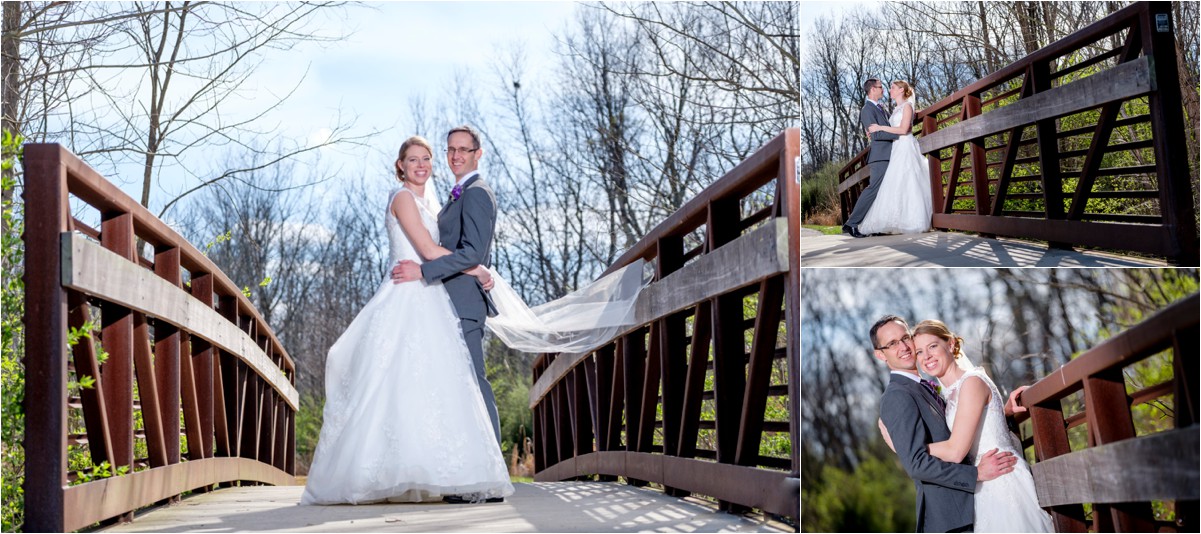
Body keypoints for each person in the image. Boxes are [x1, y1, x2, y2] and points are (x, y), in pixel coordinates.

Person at [300, 136, 513, 505]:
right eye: (412, 159)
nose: (420, 165)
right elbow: (429, 251)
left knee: (430, 390)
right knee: (395, 385)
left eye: (426, 158)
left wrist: (462, 268)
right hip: (407, 297)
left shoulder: (431, 202)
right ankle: (375, 472)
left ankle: (439, 471)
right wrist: (477, 268)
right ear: (400, 165)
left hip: (430, 298)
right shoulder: (402, 198)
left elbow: (436, 252)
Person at [392, 125, 502, 453]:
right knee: (455, 385)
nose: (456, 156)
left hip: (466, 301)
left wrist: (424, 271)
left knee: (473, 381)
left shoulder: (477, 192)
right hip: (446, 300)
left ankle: (491, 466)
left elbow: (472, 252)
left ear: (477, 154)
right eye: (451, 150)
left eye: (464, 150)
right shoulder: (455, 195)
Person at [872, 315, 1017, 532]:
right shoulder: (897, 396)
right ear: (880, 354)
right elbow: (917, 464)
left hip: (977, 505)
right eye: (892, 344)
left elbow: (960, 428)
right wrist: (975, 474)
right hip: (950, 517)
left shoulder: (927, 386)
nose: (903, 347)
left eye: (905, 338)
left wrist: (1000, 413)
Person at [908, 319, 1054, 533]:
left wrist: (907, 447)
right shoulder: (950, 394)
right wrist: (1003, 412)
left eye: (932, 346)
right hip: (983, 481)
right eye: (919, 352)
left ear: (949, 344)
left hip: (1002, 479)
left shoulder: (971, 383)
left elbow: (956, 451)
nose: (926, 356)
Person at [858, 80, 934, 235]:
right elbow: (894, 126)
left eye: (892, 88)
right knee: (894, 184)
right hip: (895, 148)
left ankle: (912, 219)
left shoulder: (907, 106)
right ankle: (895, 220)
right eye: (885, 87)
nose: (888, 90)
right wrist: (874, 132)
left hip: (905, 146)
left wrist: (879, 127)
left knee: (909, 181)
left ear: (901, 90)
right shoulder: (894, 110)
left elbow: (903, 129)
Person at [844, 78, 900, 238]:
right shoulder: (867, 110)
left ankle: (877, 225)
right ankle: (851, 223)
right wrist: (899, 133)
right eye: (881, 87)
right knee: (873, 189)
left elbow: (890, 126)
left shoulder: (881, 108)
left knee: (886, 191)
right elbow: (876, 134)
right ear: (872, 89)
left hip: (890, 154)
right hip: (880, 156)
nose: (883, 90)